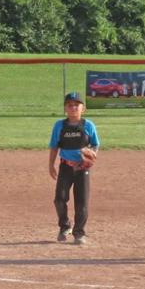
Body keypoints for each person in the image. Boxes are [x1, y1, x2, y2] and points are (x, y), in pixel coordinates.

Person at [48, 91, 100, 245]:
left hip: (82, 168)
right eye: (69, 105)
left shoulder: (88, 125)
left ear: (83, 108)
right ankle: (64, 227)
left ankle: (79, 233)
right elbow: (54, 147)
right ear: (65, 108)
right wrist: (51, 165)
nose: (73, 108)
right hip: (66, 167)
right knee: (59, 199)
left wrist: (92, 154)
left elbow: (95, 144)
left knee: (81, 202)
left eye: (77, 105)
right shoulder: (60, 125)